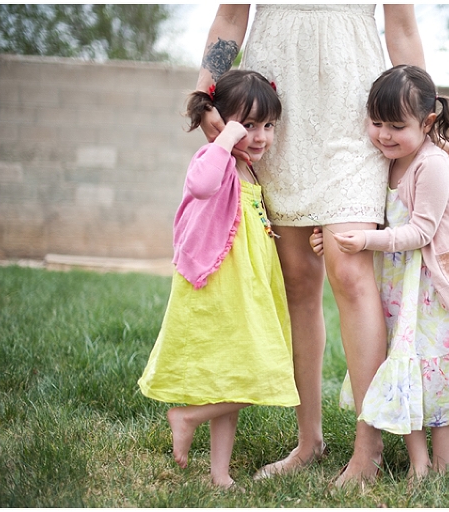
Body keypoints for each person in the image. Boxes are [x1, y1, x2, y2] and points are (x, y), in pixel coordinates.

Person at [195, 4, 449, 487]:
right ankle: (309, 442)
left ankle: (368, 448)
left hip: (356, 107)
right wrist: (204, 94)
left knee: (350, 269)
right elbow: (230, 18)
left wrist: (425, 127)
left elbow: (403, 28)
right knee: (298, 281)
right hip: (278, 107)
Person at [311, 65, 449, 484]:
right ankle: (418, 463)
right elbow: (376, 218)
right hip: (403, 286)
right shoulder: (384, 162)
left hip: (438, 291)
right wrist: (335, 238)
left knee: (439, 371)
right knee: (409, 369)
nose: (384, 135)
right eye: (377, 123)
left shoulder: (432, 165)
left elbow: (421, 231)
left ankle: (443, 465)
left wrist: (364, 242)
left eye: (396, 126)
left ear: (427, 122)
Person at [137, 69, 299, 489]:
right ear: (223, 123)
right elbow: (201, 185)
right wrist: (225, 137)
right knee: (256, 373)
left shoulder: (249, 169)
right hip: (220, 286)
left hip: (248, 288)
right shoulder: (218, 160)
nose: (260, 137)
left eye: (268, 126)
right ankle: (186, 416)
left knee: (234, 375)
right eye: (249, 125)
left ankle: (220, 474)